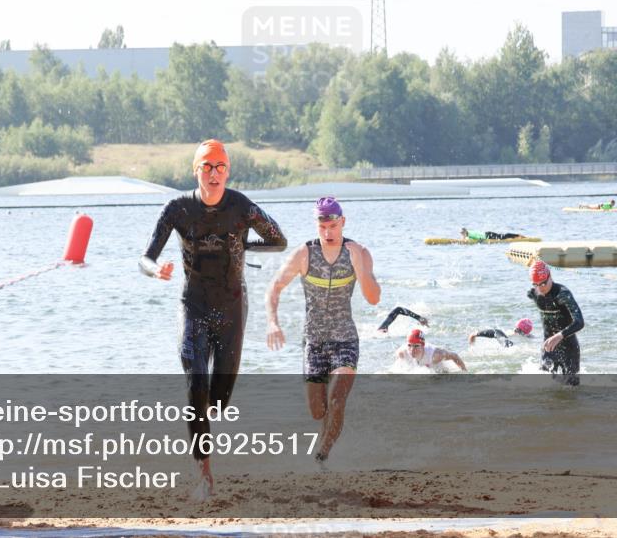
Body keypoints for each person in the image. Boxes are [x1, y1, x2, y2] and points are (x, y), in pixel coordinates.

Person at [140, 139, 287, 499]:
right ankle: (203, 474)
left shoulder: (241, 207)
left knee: (219, 399)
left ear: (228, 171)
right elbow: (144, 258)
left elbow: (279, 240)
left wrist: (245, 245)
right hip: (193, 305)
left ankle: (208, 425)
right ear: (196, 171)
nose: (213, 173)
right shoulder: (176, 208)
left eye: (220, 167)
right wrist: (156, 270)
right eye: (206, 166)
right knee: (196, 384)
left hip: (233, 306)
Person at [266, 196, 381, 469]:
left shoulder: (359, 253)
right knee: (318, 411)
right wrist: (273, 321)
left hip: (345, 340)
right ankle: (327, 436)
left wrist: (361, 271)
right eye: (322, 227)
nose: (328, 233)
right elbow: (274, 287)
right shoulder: (304, 254)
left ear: (343, 222)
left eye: (333, 226)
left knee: (337, 399)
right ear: (317, 225)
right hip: (314, 341)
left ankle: (322, 456)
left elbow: (374, 298)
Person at [527, 260, 584, 386]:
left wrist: (559, 335)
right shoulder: (533, 293)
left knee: (571, 394)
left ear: (550, 276)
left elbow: (580, 322)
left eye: (543, 283)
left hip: (569, 349)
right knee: (544, 390)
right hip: (548, 348)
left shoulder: (563, 294)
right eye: (536, 285)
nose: (540, 288)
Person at [395, 329, 467, 371]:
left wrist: (465, 373)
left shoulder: (435, 355)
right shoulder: (402, 353)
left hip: (440, 371)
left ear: (423, 345)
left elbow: (455, 356)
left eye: (416, 346)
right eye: (409, 345)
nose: (412, 350)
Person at [468, 318, 534, 347]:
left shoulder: (509, 333)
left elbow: (472, 335)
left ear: (517, 328)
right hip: (511, 346)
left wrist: (472, 347)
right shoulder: (529, 336)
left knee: (473, 334)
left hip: (503, 340)